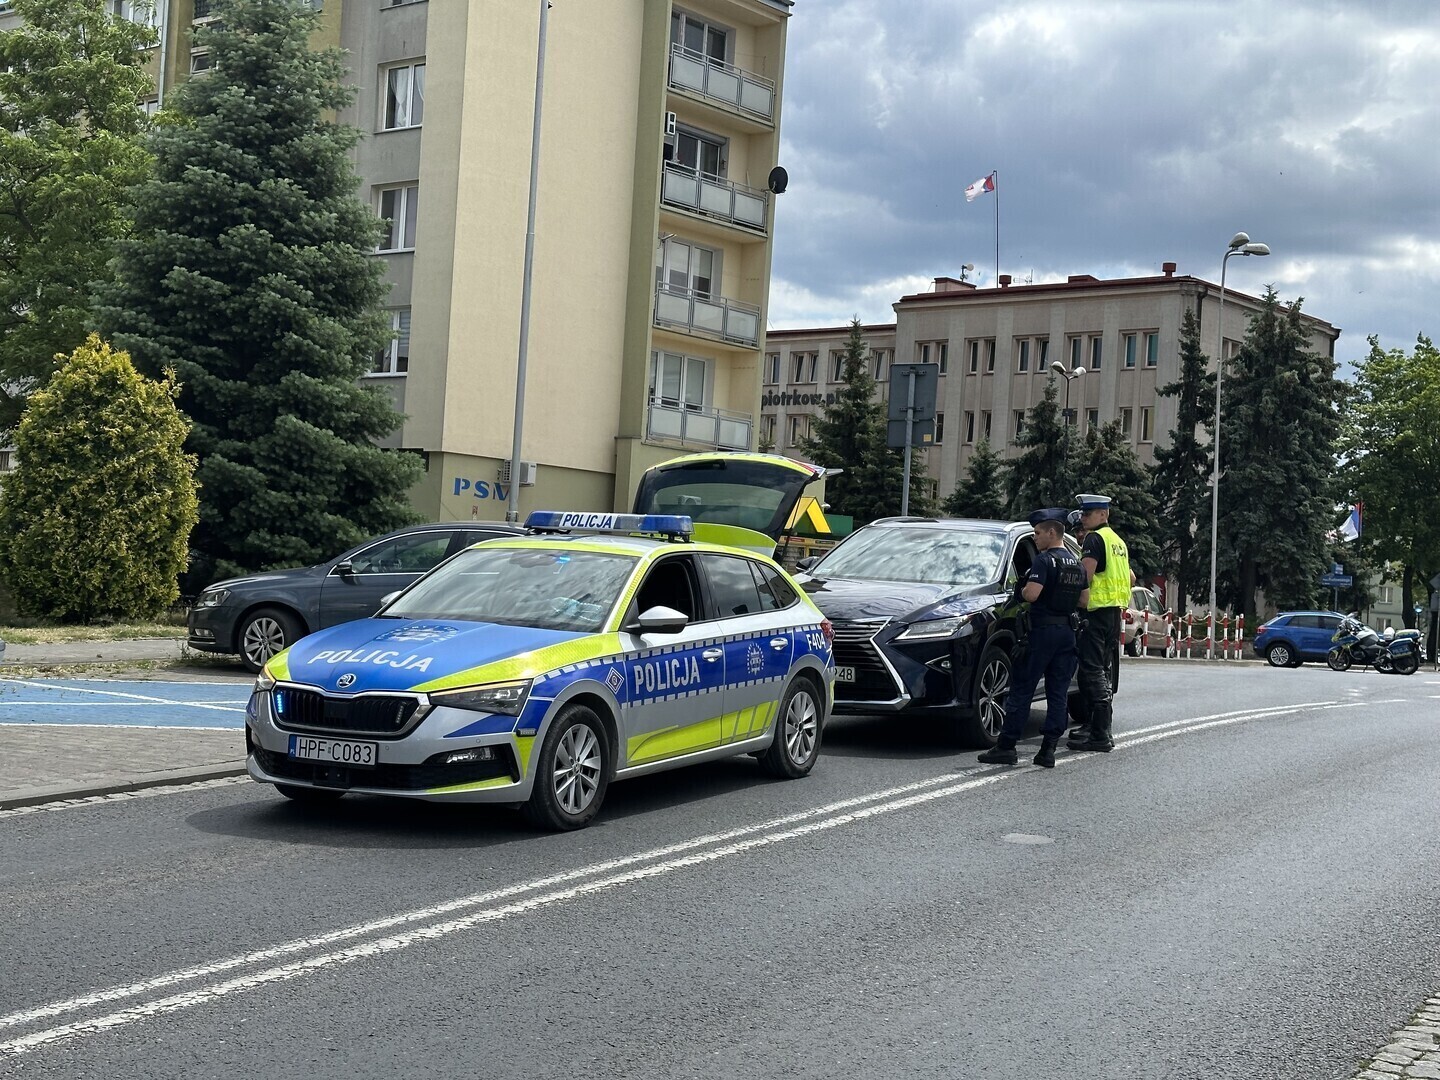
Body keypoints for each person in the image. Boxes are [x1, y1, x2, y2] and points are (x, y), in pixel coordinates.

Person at [978, 508, 1089, 768]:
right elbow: (1084, 600)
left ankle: (1006, 746)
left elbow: (1032, 595)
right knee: (1058, 691)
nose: (1036, 538)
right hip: (1067, 635)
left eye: (1038, 533)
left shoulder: (1043, 560)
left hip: (1042, 633)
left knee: (1022, 688)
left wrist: (1024, 586)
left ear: (1052, 532)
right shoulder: (1076, 562)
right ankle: (1048, 750)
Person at [1068, 493, 1134, 753]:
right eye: (1083, 514)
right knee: (1101, 670)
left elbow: (1084, 577)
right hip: (1113, 614)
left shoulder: (1095, 539)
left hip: (1094, 613)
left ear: (1103, 514)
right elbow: (1130, 577)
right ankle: (1098, 727)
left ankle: (1100, 734)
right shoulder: (1118, 541)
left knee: (1092, 670)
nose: (1083, 519)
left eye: (1088, 514)